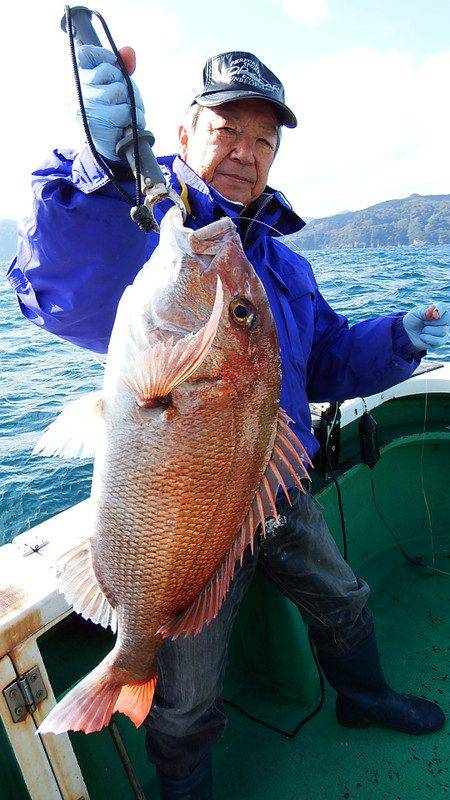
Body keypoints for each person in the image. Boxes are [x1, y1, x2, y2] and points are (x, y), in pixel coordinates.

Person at [8, 48, 448, 800]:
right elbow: (62, 284)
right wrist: (94, 170)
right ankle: (183, 783)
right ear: (184, 136)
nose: (246, 152)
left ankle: (365, 696)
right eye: (227, 131)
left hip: (276, 495)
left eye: (264, 139)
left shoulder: (279, 262)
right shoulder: (155, 230)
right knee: (185, 691)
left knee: (343, 600)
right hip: (185, 521)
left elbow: (330, 360)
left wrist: (400, 336)